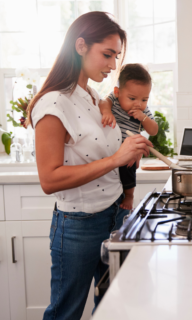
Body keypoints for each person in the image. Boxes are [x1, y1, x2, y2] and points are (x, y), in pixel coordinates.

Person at [26, 11, 152, 320]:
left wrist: (130, 149)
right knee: (65, 313)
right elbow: (50, 179)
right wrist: (117, 158)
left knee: (111, 308)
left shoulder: (94, 97)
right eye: (107, 54)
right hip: (78, 227)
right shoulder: (53, 103)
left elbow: (105, 153)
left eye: (116, 56)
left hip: (114, 216)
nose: (113, 65)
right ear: (81, 46)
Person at [99, 63, 158, 210]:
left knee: (128, 171)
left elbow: (154, 130)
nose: (138, 104)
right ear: (117, 92)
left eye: (144, 100)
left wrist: (143, 118)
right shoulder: (114, 100)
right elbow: (103, 103)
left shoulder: (143, 113)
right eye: (132, 98)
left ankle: (129, 195)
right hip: (110, 151)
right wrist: (107, 112)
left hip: (129, 151)